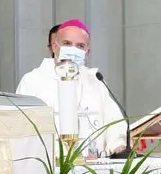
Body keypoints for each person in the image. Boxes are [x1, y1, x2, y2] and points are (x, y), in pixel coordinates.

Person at [15, 19, 126, 157]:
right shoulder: (32, 81)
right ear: (55, 47)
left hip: (93, 164)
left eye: (80, 46)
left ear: (87, 52)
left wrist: (117, 145)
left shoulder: (95, 80)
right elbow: (22, 126)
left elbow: (113, 121)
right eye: (67, 44)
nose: (73, 50)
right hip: (50, 166)